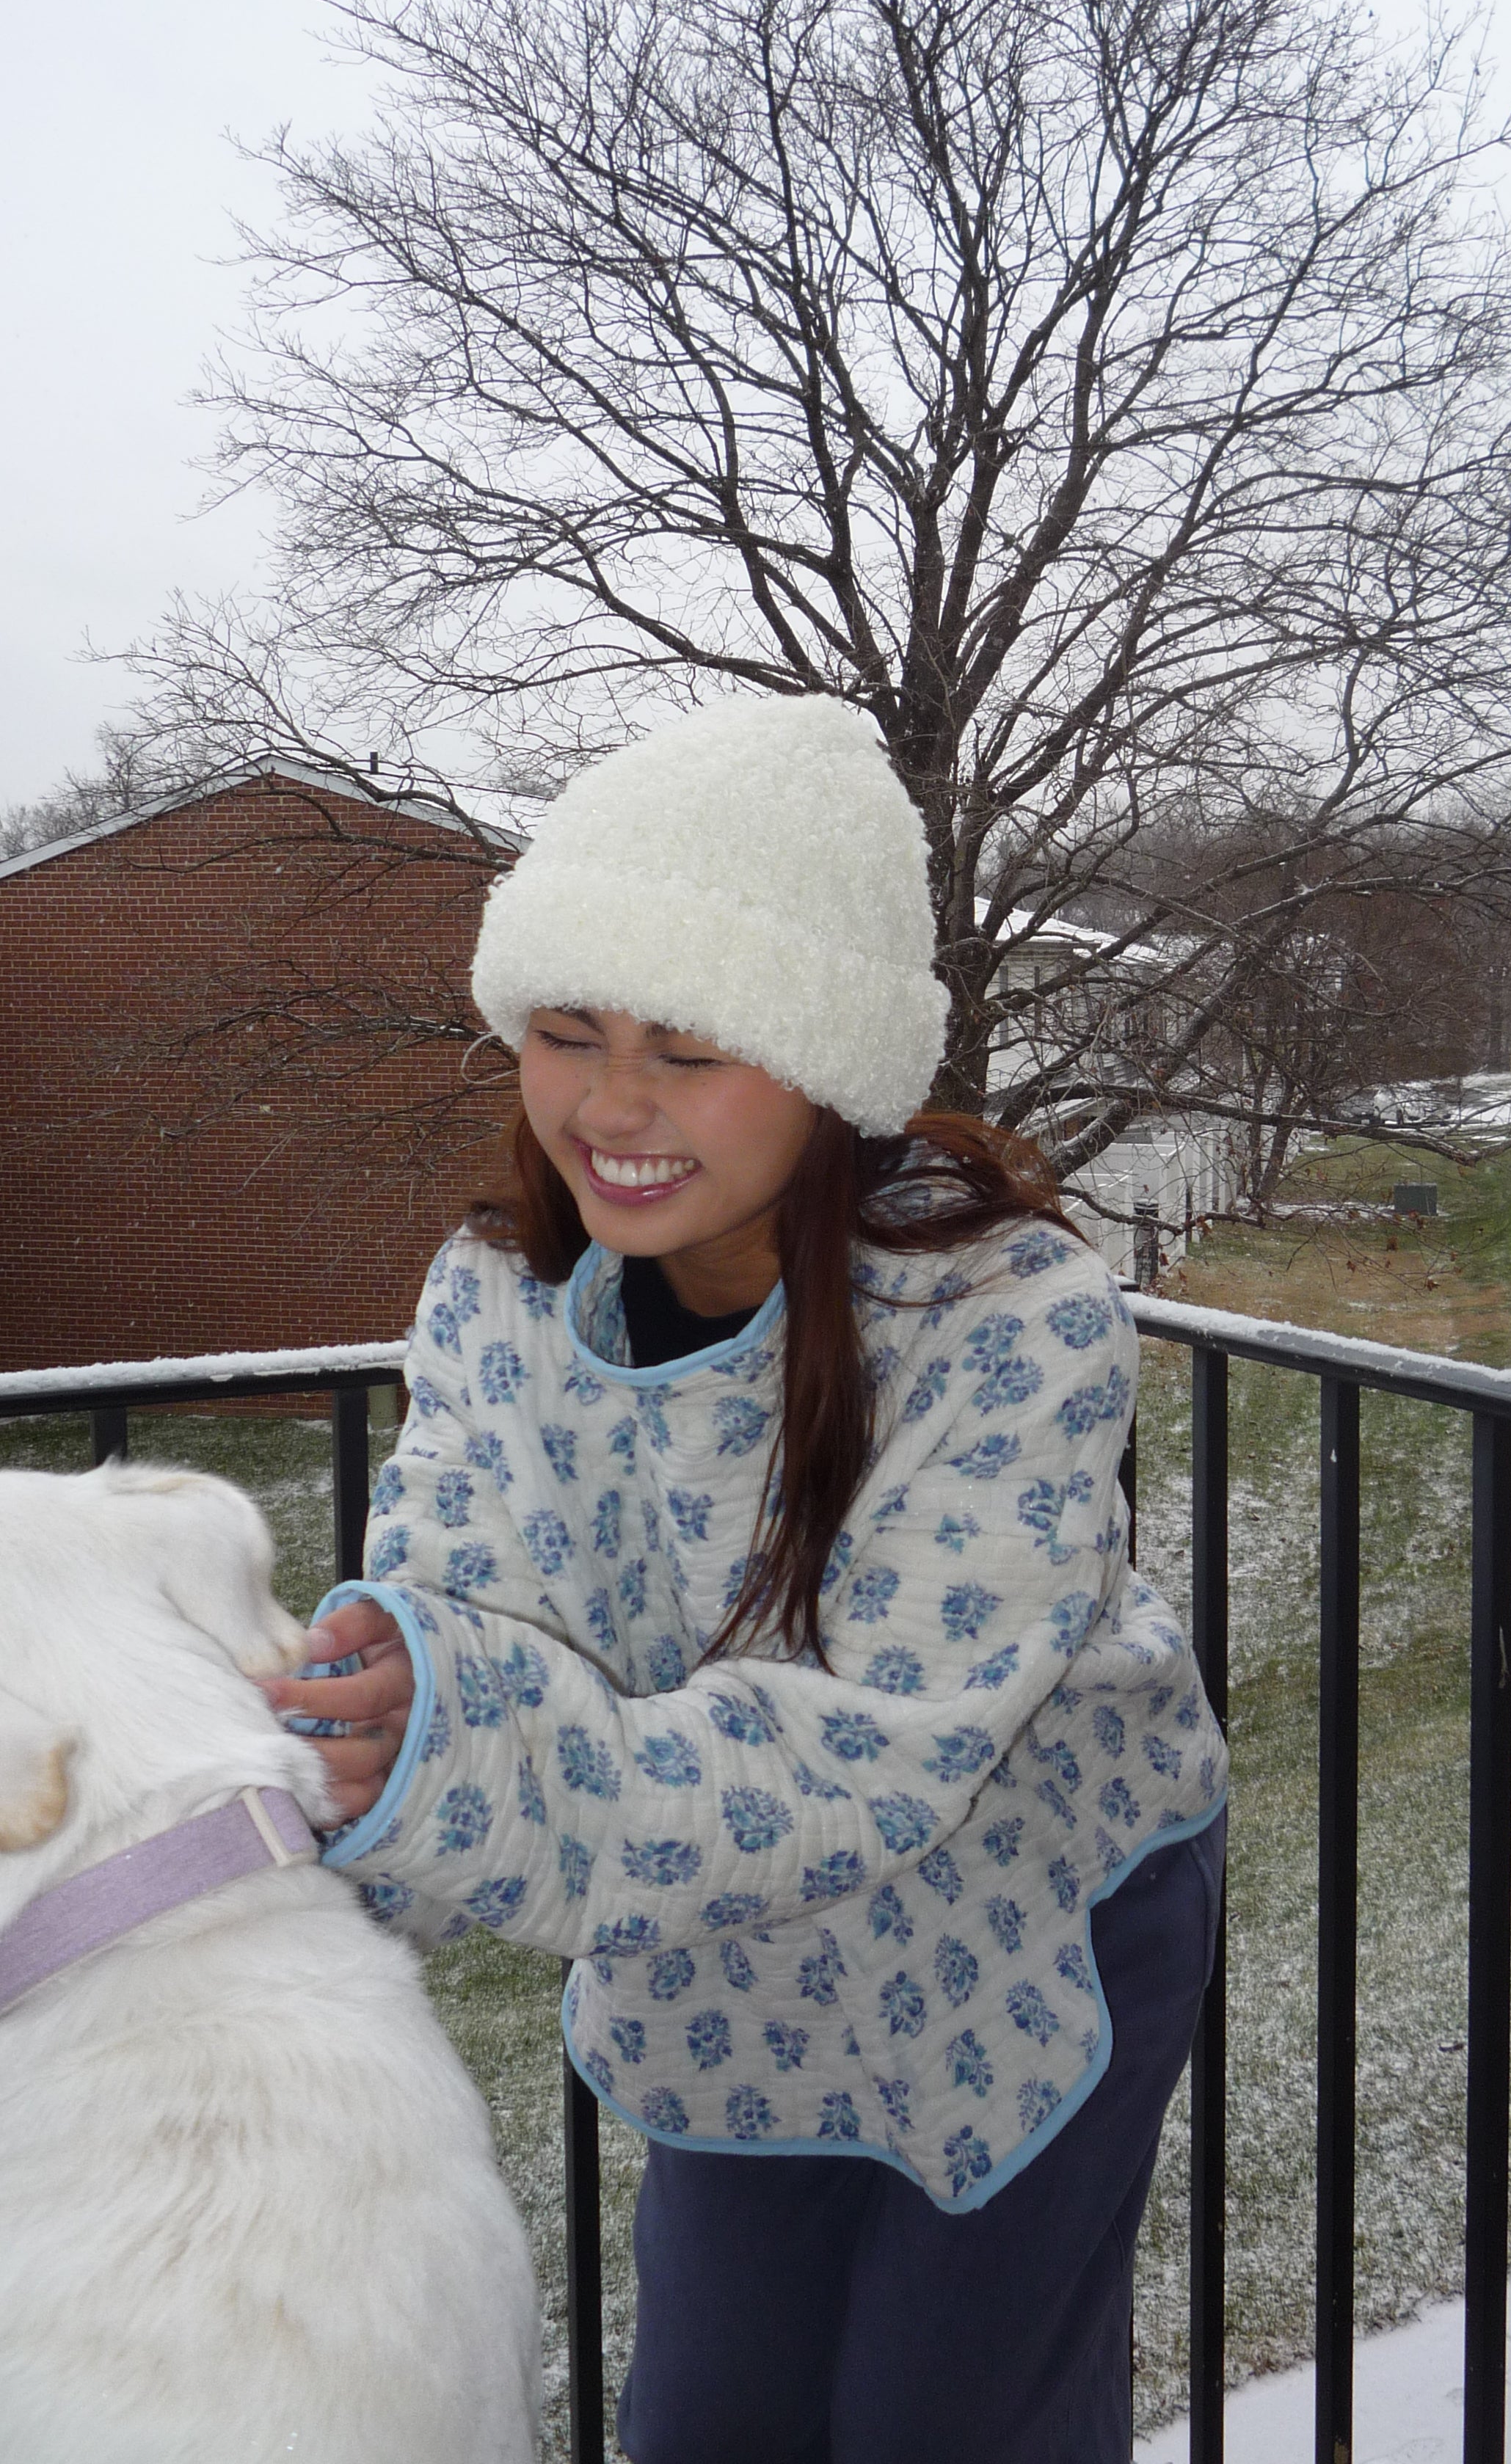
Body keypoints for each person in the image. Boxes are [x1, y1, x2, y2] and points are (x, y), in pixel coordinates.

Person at [263, 696, 1227, 2464]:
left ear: (829, 1067)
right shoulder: (492, 1297)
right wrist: (332, 1786)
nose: (613, 1106)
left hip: (1027, 1914)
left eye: (691, 1048)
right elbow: (456, 1615)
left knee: (944, 2424)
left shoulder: (1010, 1310)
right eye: (566, 1032)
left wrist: (464, 1758)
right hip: (717, 1943)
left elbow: (881, 1743)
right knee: (711, 2420)